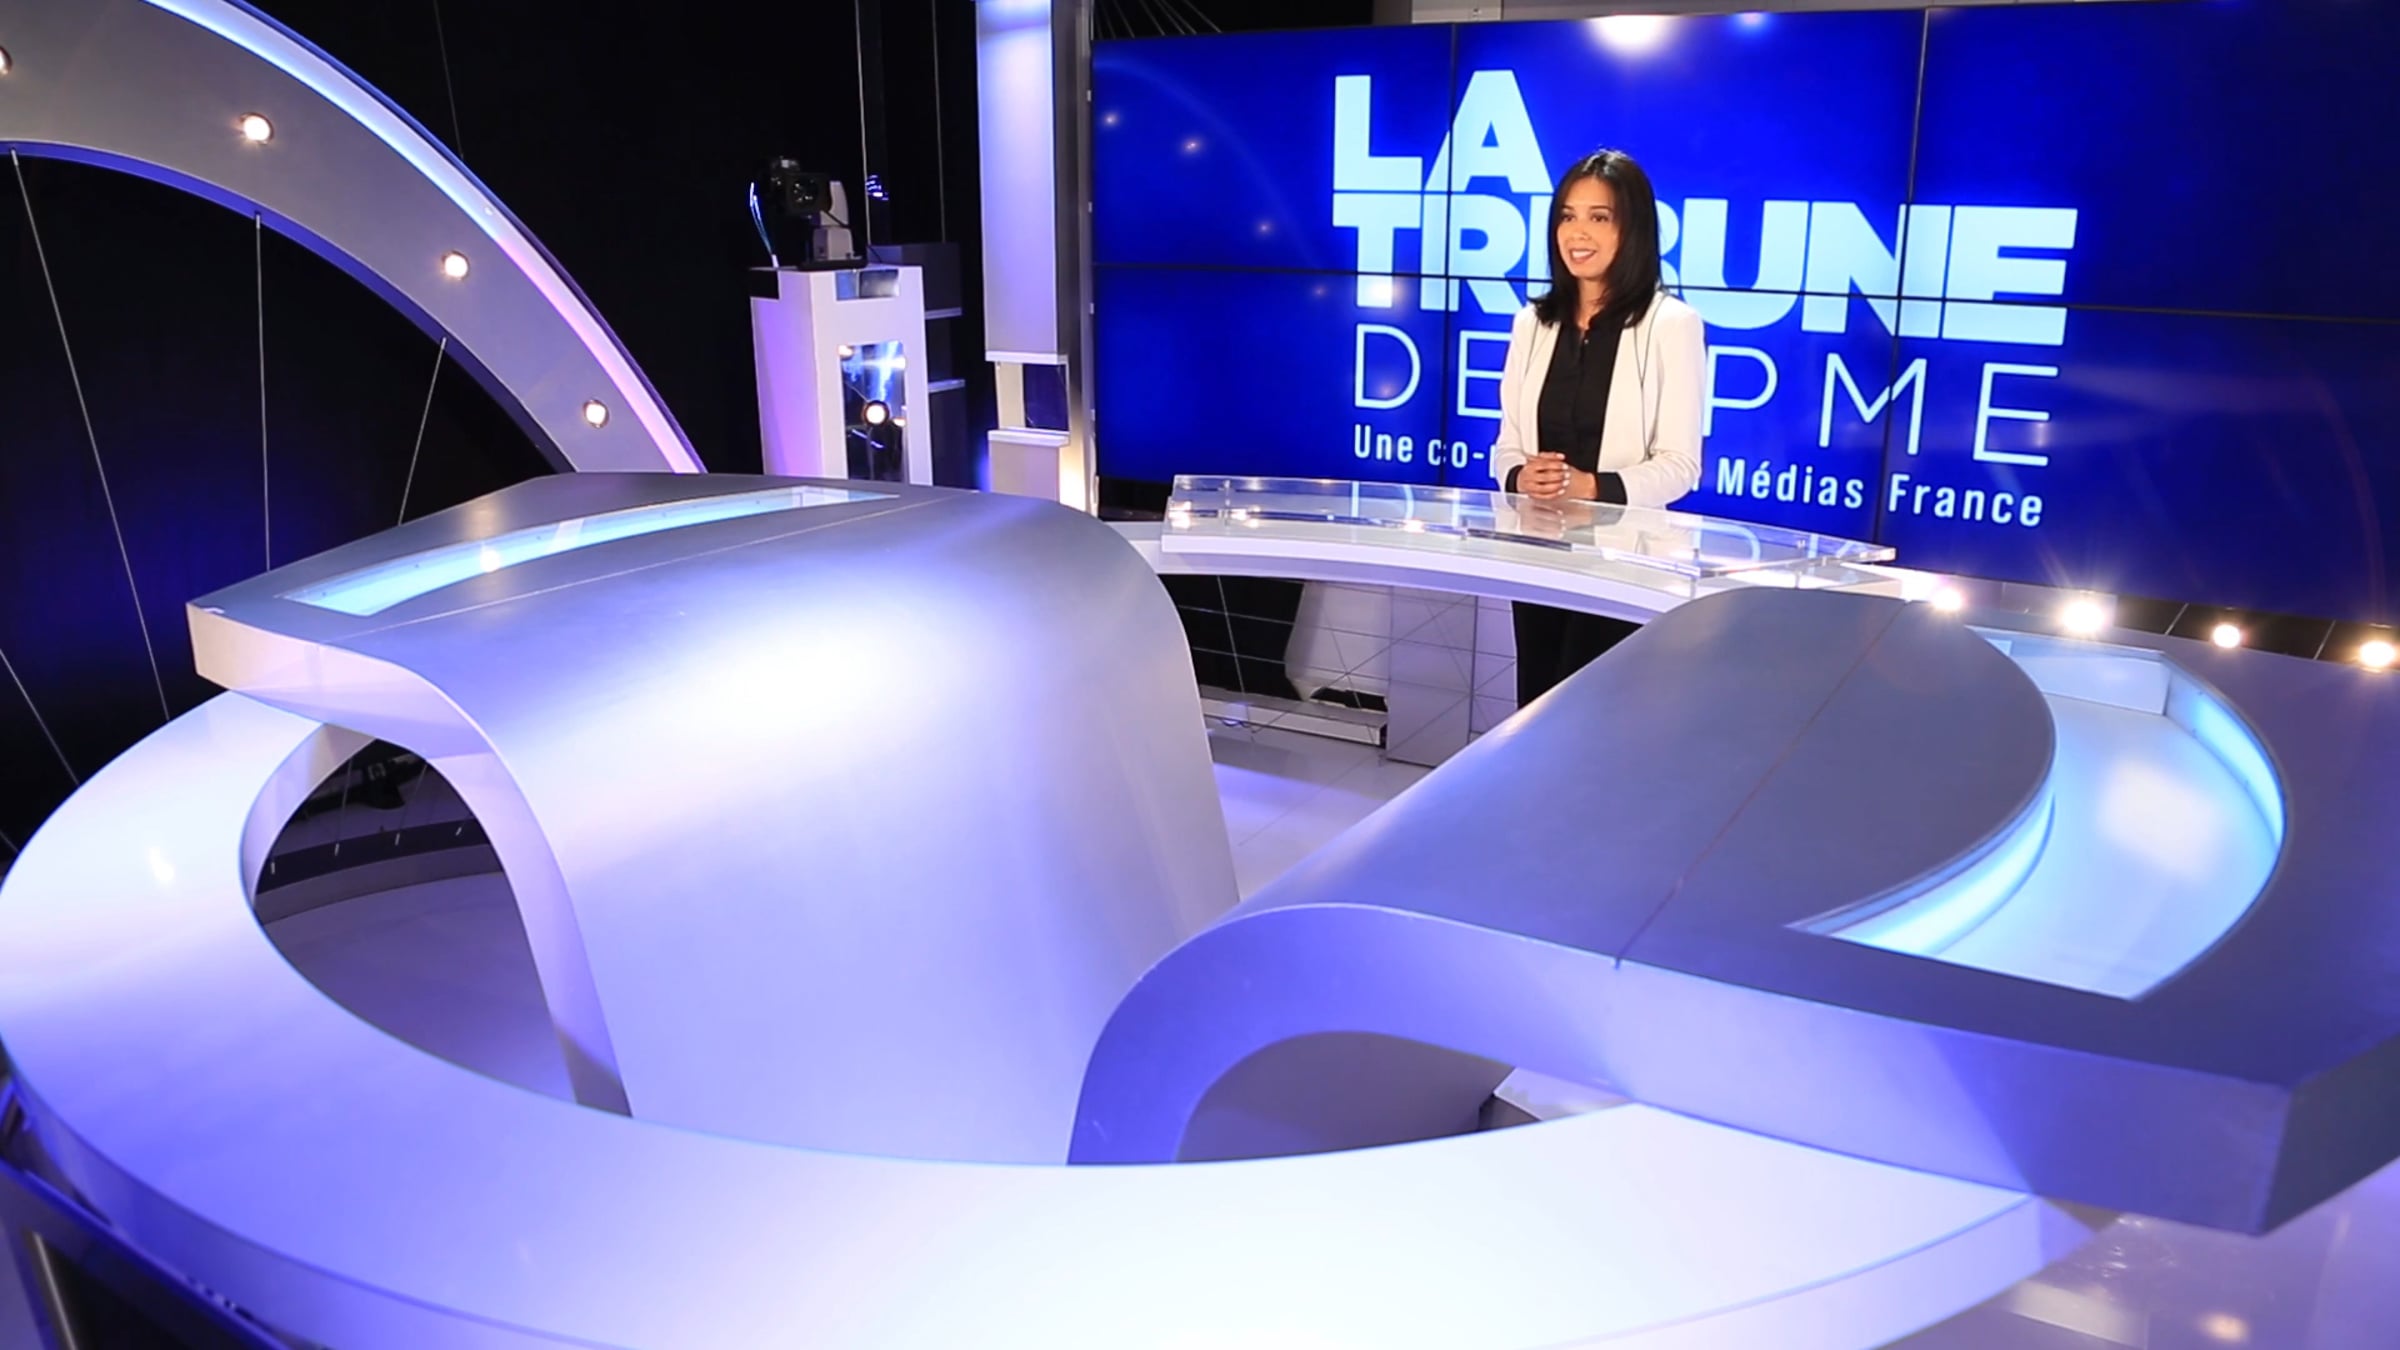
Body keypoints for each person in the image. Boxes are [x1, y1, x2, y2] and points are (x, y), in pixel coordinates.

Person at [1489, 148, 1706, 709]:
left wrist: (1594, 487)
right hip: (1537, 552)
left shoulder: (1671, 324)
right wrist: (1519, 476)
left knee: (1593, 715)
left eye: (1599, 216)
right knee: (1536, 706)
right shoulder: (1532, 323)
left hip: (1623, 564)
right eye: (1567, 215)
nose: (1577, 232)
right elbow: (1506, 447)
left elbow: (1681, 466)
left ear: (1632, 229)